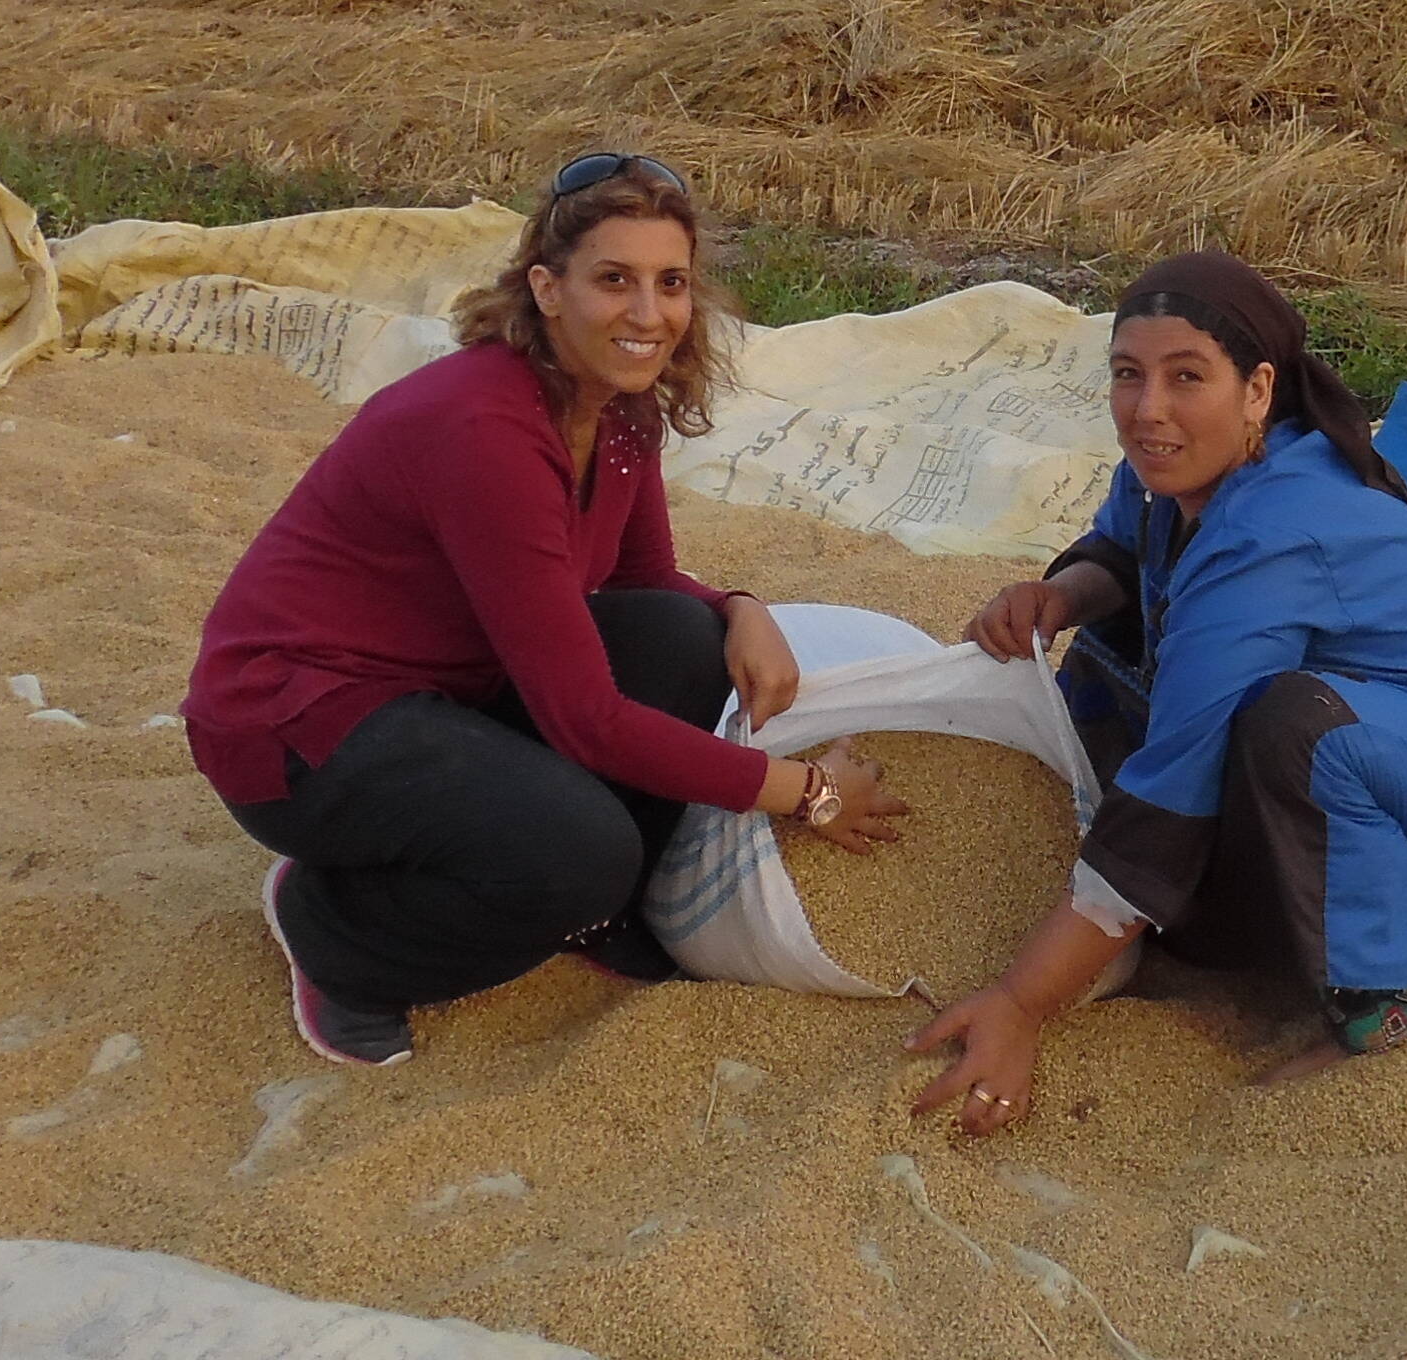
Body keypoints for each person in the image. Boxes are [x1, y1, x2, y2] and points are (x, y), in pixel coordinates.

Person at [184, 153, 903, 1066]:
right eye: (615, 280)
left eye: (670, 283)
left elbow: (644, 587)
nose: (649, 315)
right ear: (546, 288)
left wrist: (740, 606)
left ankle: (593, 915)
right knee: (577, 852)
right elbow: (589, 723)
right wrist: (811, 794)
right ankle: (336, 935)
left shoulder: (616, 406)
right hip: (301, 724)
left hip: (448, 680)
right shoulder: (484, 428)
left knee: (685, 638)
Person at [909, 252, 1407, 1138]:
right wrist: (1062, 598)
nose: (1150, 412)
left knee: (1293, 724)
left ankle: (1396, 982)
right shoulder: (1173, 477)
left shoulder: (1272, 527)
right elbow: (1121, 550)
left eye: (1188, 379)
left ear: (1257, 390)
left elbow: (1175, 792)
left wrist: (1023, 1001)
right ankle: (1136, 891)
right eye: (1128, 376)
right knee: (1119, 654)